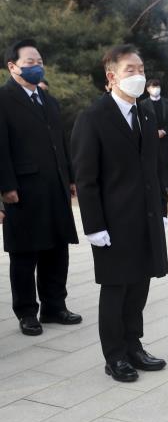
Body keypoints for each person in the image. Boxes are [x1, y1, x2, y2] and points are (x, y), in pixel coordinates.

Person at [71, 44, 168, 383]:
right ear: (112, 76)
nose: (139, 76)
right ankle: (115, 356)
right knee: (116, 290)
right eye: (131, 70)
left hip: (145, 220)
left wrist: (162, 208)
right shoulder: (93, 118)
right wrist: (94, 226)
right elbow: (86, 178)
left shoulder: (146, 114)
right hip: (113, 223)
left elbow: (155, 168)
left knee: (139, 286)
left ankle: (134, 346)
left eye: (141, 69)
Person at [0, 39, 82, 336]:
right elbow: (1, 147)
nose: (37, 67)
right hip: (22, 188)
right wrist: (6, 186)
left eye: (39, 62)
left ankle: (54, 306)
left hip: (54, 185)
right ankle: (26, 312)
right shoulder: (4, 99)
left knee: (57, 249)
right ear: (13, 66)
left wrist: (70, 177)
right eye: (30, 62)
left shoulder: (48, 100)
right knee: (25, 253)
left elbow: (61, 143)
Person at [140, 79, 168, 193]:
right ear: (147, 89)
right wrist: (154, 131)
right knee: (152, 161)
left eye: (157, 87)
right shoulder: (143, 104)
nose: (155, 89)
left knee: (166, 161)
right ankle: (154, 185)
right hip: (151, 138)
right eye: (152, 87)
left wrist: (164, 131)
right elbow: (143, 121)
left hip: (165, 137)